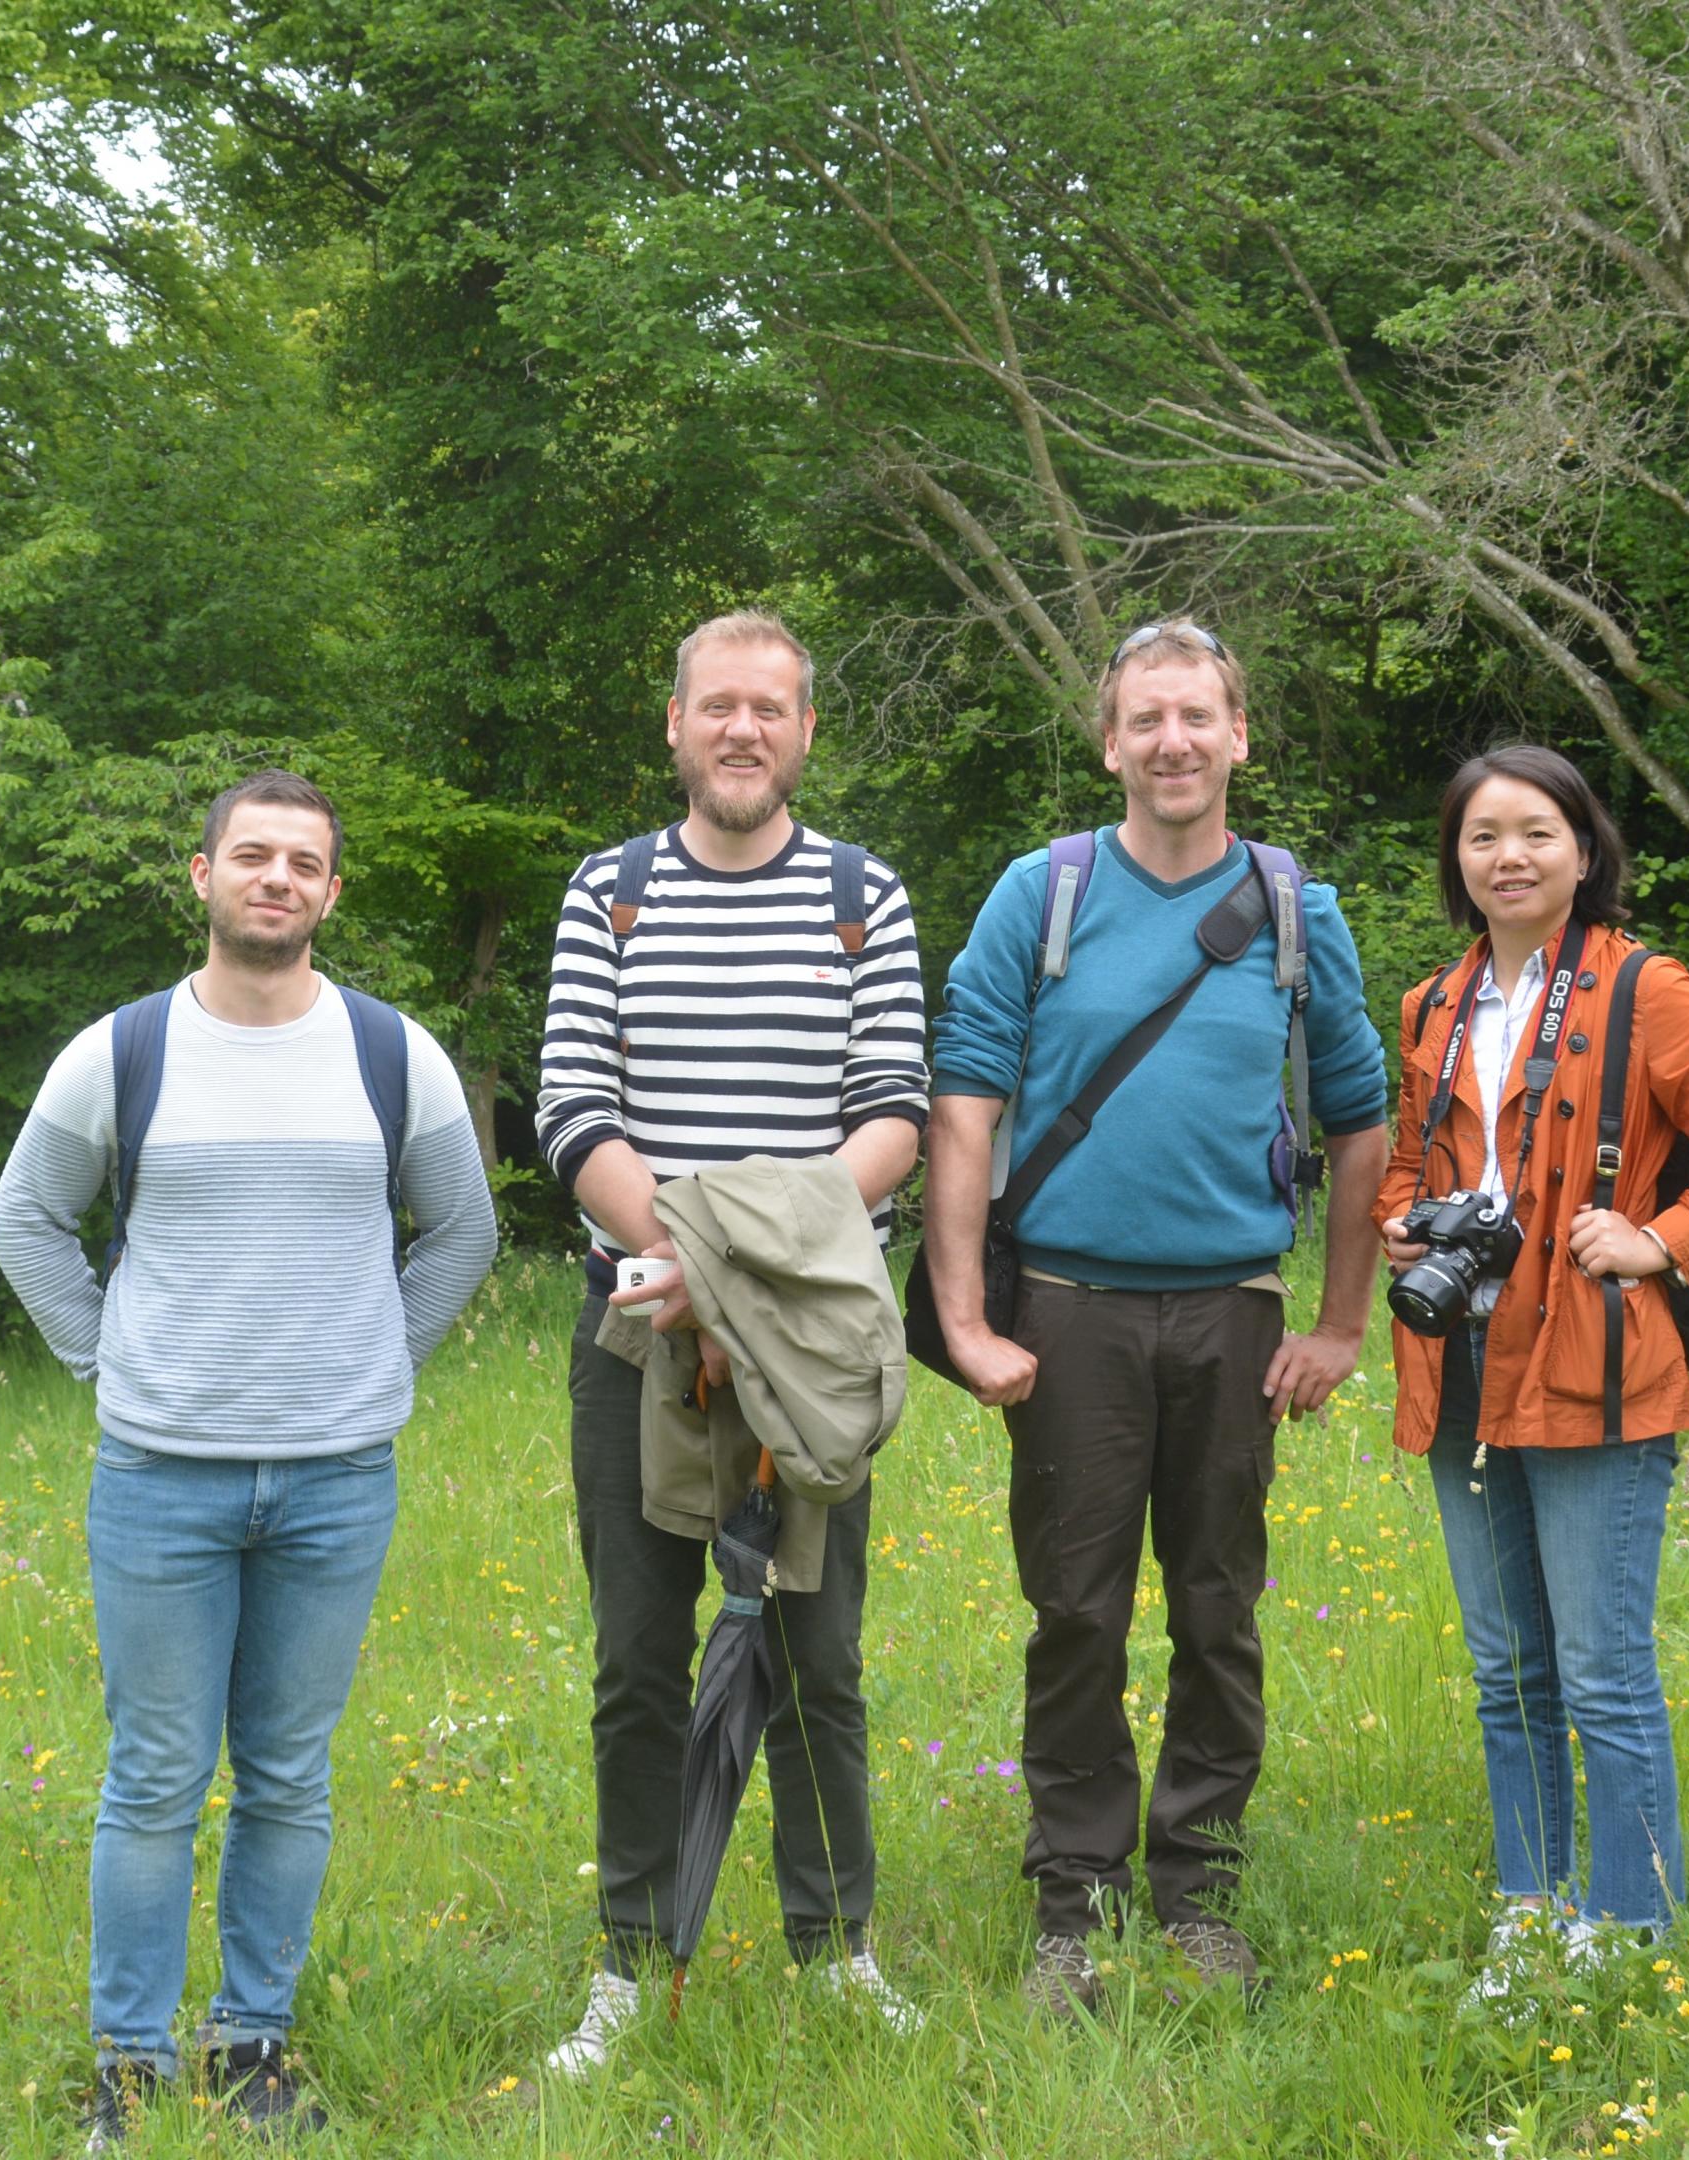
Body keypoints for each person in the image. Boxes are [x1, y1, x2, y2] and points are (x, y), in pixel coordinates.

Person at [0, 770, 499, 2146]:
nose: (278, 879)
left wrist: (383, 1362)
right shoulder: (123, 1051)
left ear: (332, 891)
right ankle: (131, 2063)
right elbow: (26, 1219)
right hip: (162, 1480)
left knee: (287, 1775)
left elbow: (463, 1229)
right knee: (155, 1777)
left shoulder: (392, 1052)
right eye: (254, 855)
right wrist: (107, 1361)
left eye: (304, 863)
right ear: (202, 875)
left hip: (337, 1482)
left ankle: (252, 2045)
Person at [925, 617, 1391, 2013]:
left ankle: (1199, 1893)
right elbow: (963, 1108)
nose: (1173, 742)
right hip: (1067, 1313)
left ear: (1239, 734)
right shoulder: (1043, 895)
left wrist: (1341, 1325)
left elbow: (1362, 1123)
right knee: (1074, 1611)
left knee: (1217, 1609)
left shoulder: (1297, 911)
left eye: (1198, 717)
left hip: (1235, 1312)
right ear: (1110, 742)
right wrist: (966, 1321)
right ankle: (1073, 1899)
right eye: (1147, 720)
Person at [531, 609, 930, 2070]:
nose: (743, 729)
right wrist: (687, 1274)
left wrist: (739, 1282)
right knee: (638, 1663)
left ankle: (836, 1952)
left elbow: (891, 1116)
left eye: (770, 707)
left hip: (809, 1348)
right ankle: (632, 1965)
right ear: (677, 725)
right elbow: (573, 1110)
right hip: (636, 1335)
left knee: (818, 1661)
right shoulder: (612, 892)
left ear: (806, 730)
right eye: (718, 705)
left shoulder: (863, 896)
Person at [1375, 744, 1689, 1988]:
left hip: (1593, 1362)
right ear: (1457, 859)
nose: (1509, 858)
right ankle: (1532, 1903)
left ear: (1583, 849)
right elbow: (1408, 1162)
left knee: (1603, 1675)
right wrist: (1403, 1220)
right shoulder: (1433, 1004)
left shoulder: (1643, 988)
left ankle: (1628, 1931)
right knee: (1507, 1671)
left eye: (1536, 834)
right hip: (1459, 1359)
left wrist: (1662, 1239)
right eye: (1483, 837)